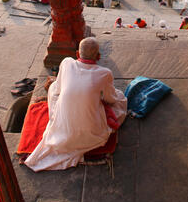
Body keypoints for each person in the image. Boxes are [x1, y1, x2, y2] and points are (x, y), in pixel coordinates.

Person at [23, 37, 127, 172]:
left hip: (60, 132)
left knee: (54, 86)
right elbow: (111, 99)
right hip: (93, 134)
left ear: (77, 54)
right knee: (120, 99)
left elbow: (59, 89)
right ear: (99, 56)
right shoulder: (105, 73)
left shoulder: (66, 63)